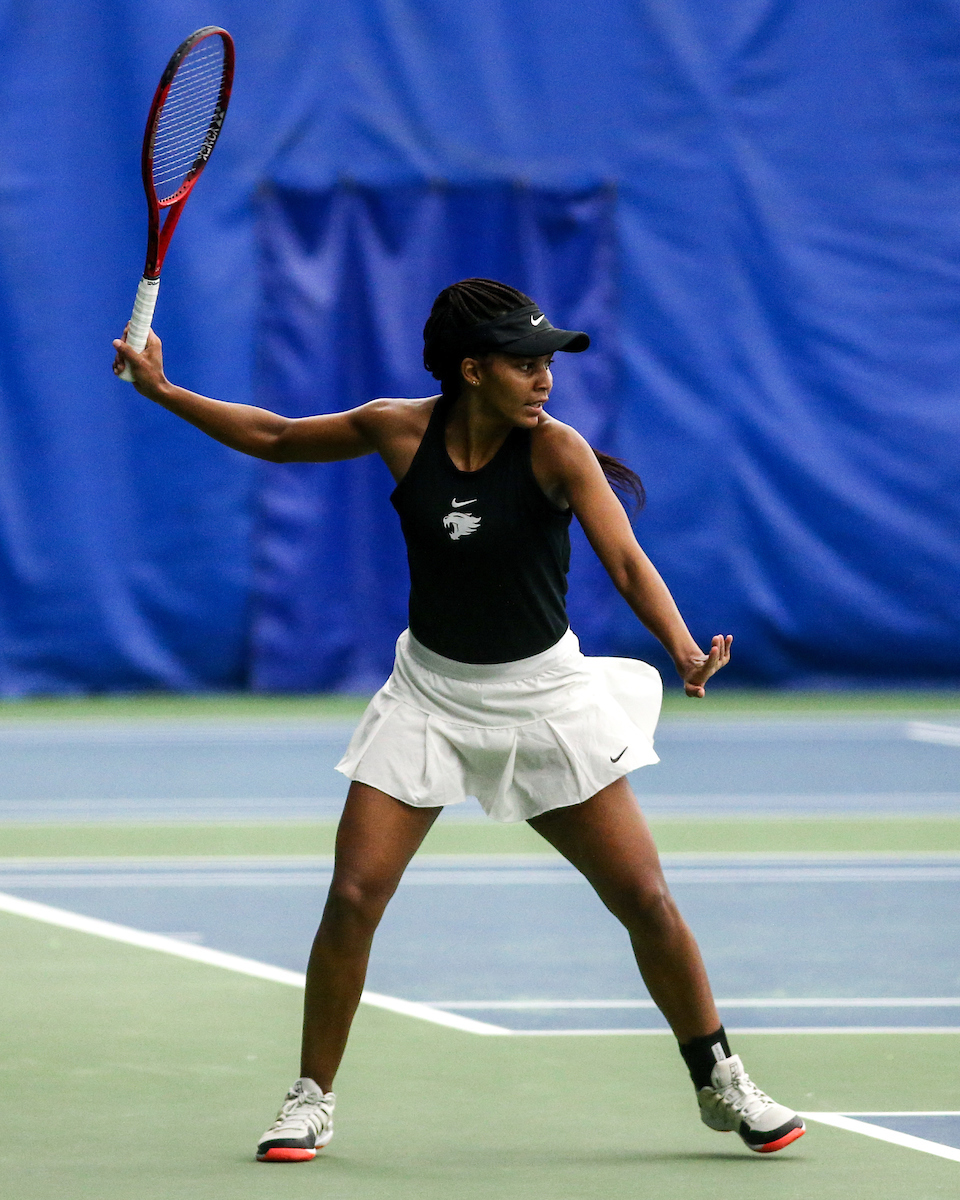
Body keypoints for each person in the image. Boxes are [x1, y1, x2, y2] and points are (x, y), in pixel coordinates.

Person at [113, 277, 805, 1162]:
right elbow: (280, 439)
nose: (544, 379)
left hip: (543, 701)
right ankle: (309, 1098)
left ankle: (720, 1079)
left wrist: (680, 648)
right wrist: (167, 393)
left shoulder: (559, 453)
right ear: (472, 370)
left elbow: (626, 562)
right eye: (525, 365)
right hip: (430, 697)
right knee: (353, 897)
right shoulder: (399, 430)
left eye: (547, 363)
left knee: (645, 899)